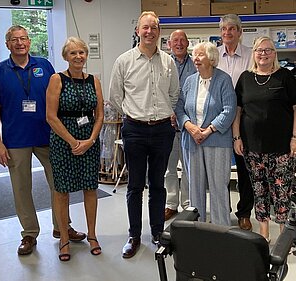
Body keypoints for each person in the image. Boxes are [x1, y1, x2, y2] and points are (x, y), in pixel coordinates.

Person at [0, 25, 85, 256]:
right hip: (15, 139)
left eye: (23, 38)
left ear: (29, 42)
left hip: (48, 136)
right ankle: (29, 233)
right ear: (7, 44)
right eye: (14, 39)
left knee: (59, 184)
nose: (20, 43)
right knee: (21, 188)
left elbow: (57, 99)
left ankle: (62, 227)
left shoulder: (44, 65)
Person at [109, 11, 180, 259]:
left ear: (159, 32)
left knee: (158, 185)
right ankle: (134, 236)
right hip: (135, 130)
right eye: (145, 27)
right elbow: (115, 97)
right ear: (137, 31)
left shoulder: (168, 62)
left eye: (154, 27)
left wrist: (163, 114)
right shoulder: (124, 61)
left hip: (162, 130)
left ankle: (158, 233)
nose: (150, 32)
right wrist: (134, 114)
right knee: (135, 186)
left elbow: (174, 94)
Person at [232, 36, 296, 242]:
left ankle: (283, 235)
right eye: (259, 50)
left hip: (282, 147)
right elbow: (237, 110)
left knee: (282, 191)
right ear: (253, 54)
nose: (263, 54)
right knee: (258, 189)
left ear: (275, 53)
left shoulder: (285, 77)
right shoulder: (245, 78)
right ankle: (264, 233)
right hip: (252, 147)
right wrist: (237, 137)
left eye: (268, 50)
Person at [46, 37, 104, 261]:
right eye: (73, 53)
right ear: (65, 57)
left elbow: (99, 115)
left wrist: (90, 140)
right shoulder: (56, 79)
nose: (78, 57)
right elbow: (51, 116)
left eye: (82, 52)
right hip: (63, 141)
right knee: (62, 191)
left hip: (89, 140)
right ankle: (64, 239)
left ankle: (92, 235)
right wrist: (72, 141)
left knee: (90, 188)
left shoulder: (94, 81)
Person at [175, 41, 236, 226]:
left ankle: (221, 228)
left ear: (211, 58)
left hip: (217, 141)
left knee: (218, 187)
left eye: (200, 54)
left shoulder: (224, 80)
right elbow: (179, 107)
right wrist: (189, 126)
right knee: (195, 187)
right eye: (194, 54)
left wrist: (208, 130)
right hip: (192, 141)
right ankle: (198, 228)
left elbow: (229, 109)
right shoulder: (190, 81)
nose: (195, 58)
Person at [216, 14, 255, 231]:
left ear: (240, 32)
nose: (228, 32)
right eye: (224, 29)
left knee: (245, 170)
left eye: (232, 29)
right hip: (219, 120)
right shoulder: (215, 57)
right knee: (219, 170)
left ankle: (244, 213)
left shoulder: (251, 55)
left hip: (244, 119)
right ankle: (222, 212)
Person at [164, 29, 197, 221]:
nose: (178, 43)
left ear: (187, 43)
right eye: (174, 40)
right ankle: (171, 204)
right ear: (169, 44)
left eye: (182, 40)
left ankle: (187, 204)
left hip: (188, 124)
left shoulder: (195, 63)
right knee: (169, 167)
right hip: (167, 123)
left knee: (187, 167)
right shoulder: (164, 63)